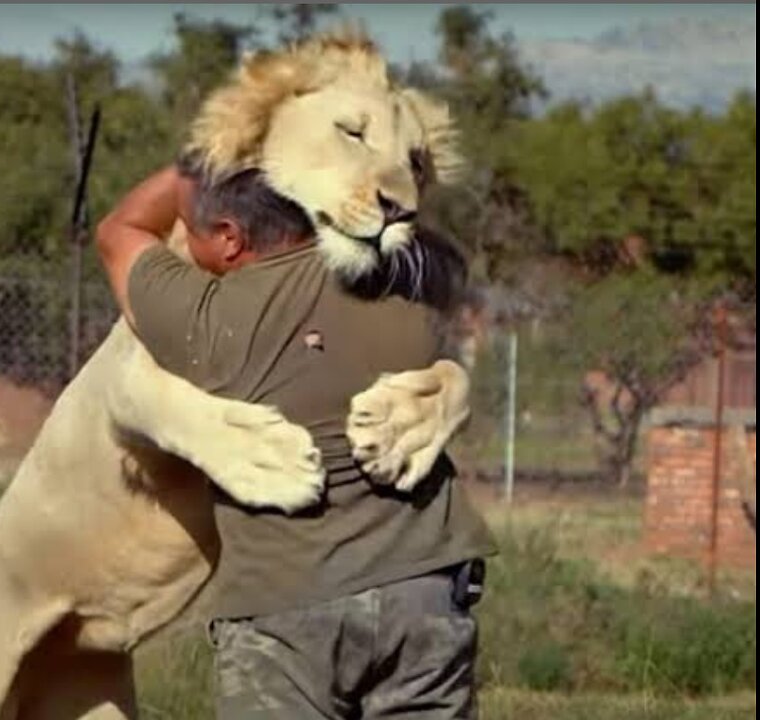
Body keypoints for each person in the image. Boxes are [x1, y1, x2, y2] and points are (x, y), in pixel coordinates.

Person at [95, 161, 497, 719]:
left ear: (230, 239)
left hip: (285, 606)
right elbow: (443, 253)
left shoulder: (209, 322)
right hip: (423, 589)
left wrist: (195, 160)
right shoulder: (402, 281)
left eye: (194, 232)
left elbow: (119, 231)